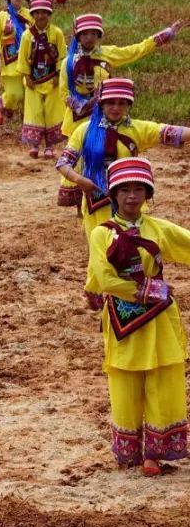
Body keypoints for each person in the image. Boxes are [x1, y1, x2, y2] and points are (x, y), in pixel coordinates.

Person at [84, 158, 189, 476]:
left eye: (139, 189)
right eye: (125, 189)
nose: (132, 196)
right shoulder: (102, 234)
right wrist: (145, 291)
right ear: (113, 194)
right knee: (125, 383)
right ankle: (128, 450)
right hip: (123, 318)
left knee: (162, 378)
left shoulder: (159, 229)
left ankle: (154, 454)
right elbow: (103, 277)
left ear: (148, 193)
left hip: (159, 318)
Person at [55, 78, 188, 240]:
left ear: (128, 106)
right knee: (101, 249)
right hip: (97, 203)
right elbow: (63, 163)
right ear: (101, 104)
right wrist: (80, 180)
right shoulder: (84, 131)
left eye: (121, 103)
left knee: (130, 252)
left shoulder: (137, 129)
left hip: (129, 201)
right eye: (111, 103)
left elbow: (169, 131)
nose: (116, 108)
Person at [58, 14, 181, 142]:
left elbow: (134, 50)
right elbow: (64, 92)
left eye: (94, 34)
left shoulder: (107, 53)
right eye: (85, 34)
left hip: (104, 112)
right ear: (78, 36)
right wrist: (80, 106)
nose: (89, 38)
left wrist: (165, 35)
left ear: (99, 36)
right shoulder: (69, 62)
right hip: (78, 116)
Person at [16, 0, 65, 159]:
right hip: (33, 81)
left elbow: (62, 57)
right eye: (37, 12)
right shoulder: (26, 36)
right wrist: (27, 76)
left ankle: (50, 145)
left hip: (52, 80)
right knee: (34, 111)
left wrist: (59, 74)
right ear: (33, 14)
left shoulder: (57, 33)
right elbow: (22, 57)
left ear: (49, 14)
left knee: (51, 112)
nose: (41, 16)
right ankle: (35, 144)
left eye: (44, 12)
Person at [0, 0, 31, 127]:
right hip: (10, 62)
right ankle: (2, 102)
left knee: (28, 94)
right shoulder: (2, 16)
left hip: (27, 61)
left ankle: (28, 125)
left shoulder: (30, 14)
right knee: (15, 94)